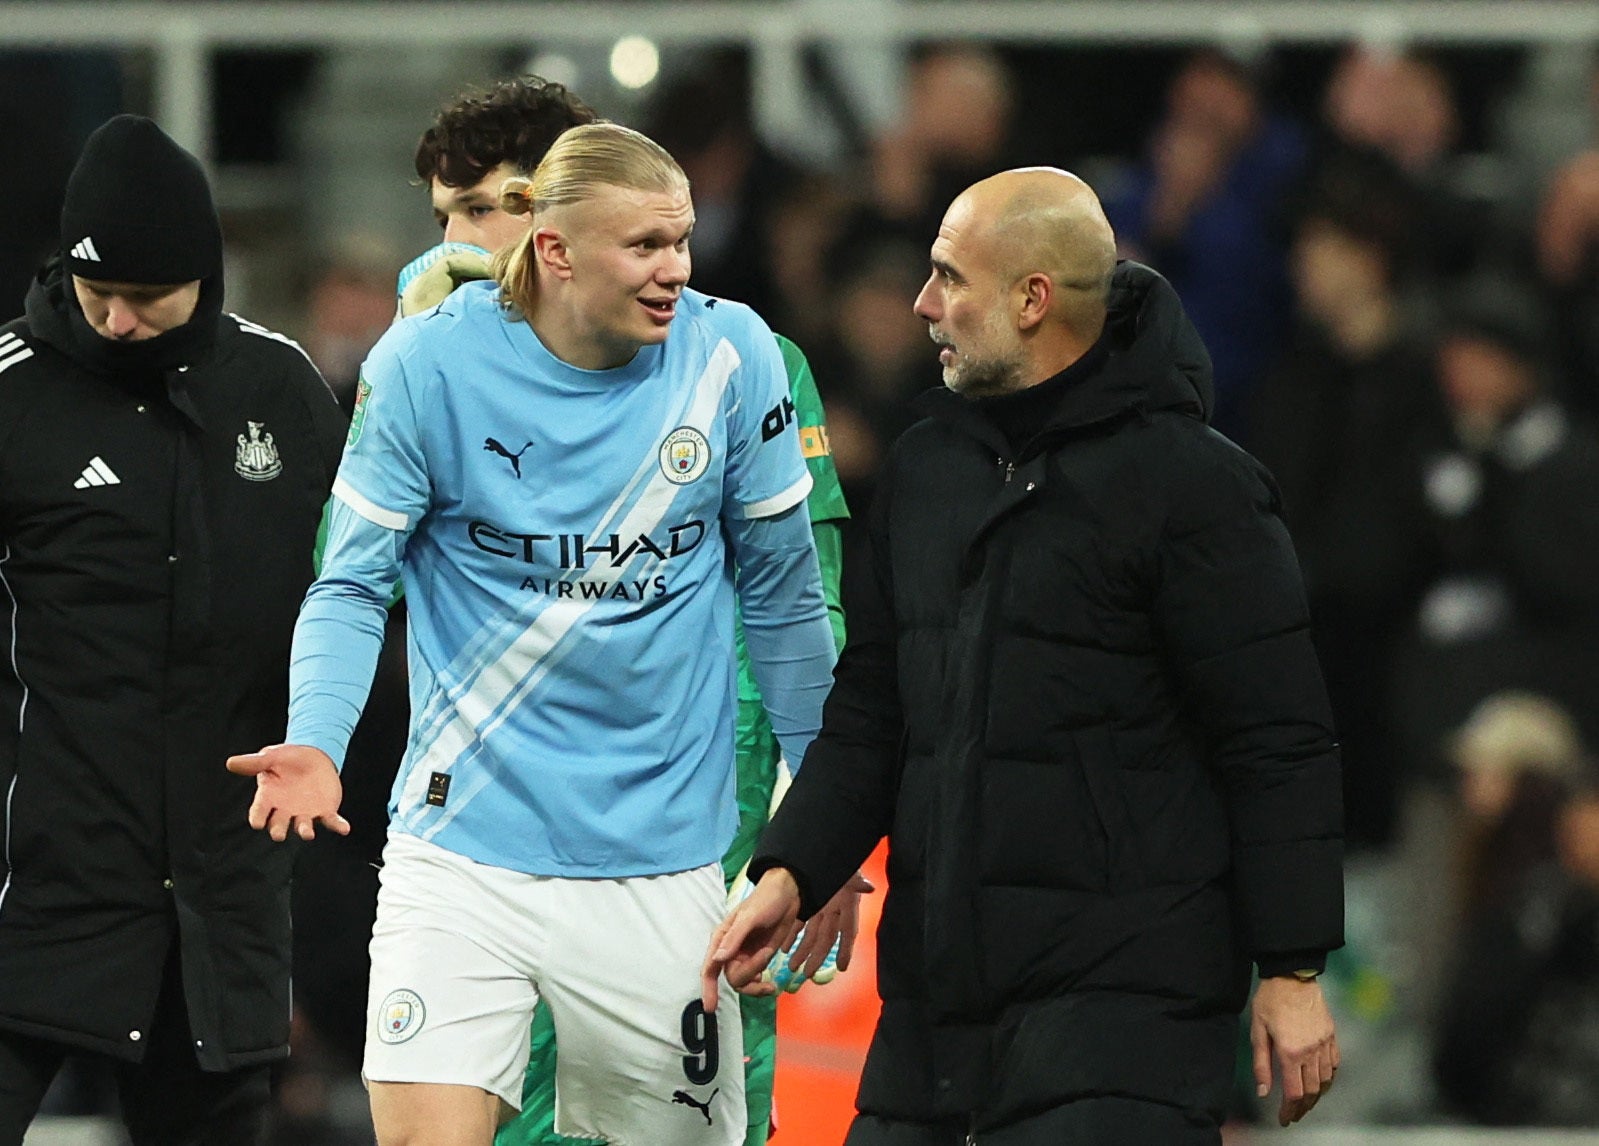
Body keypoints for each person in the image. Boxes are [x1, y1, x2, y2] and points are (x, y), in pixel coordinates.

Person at [228, 123, 842, 1146]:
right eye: (645, 245)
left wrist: (822, 830)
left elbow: (785, 604)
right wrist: (318, 739)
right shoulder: (428, 363)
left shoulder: (734, 357)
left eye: (681, 240)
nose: (675, 269)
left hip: (661, 871)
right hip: (460, 858)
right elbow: (348, 586)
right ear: (555, 251)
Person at [705, 167, 1345, 1144]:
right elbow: (875, 705)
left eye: (950, 278)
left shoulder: (1196, 489)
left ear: (1033, 299)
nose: (924, 305)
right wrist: (792, 869)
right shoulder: (927, 473)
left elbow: (1279, 742)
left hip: (1126, 1020)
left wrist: (1293, 972)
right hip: (935, 1008)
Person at [399, 77, 858, 1146]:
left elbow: (803, 611)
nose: (462, 240)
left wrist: (800, 820)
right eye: (446, 217)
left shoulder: (734, 364)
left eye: (489, 206)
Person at [0, 114, 345, 1144]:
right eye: (97, 293)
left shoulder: (282, 393)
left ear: (206, 275)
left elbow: (361, 594)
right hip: (43, 878)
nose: (115, 320)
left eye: (145, 298)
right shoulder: (12, 393)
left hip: (223, 896)